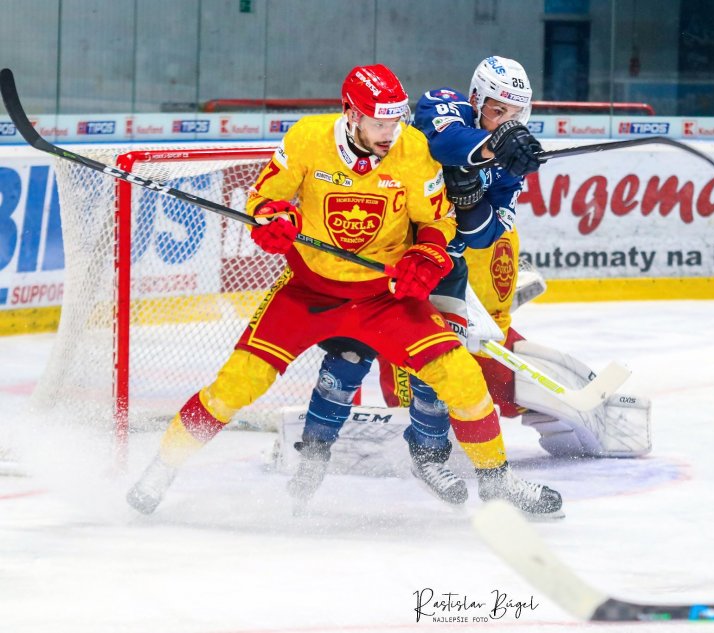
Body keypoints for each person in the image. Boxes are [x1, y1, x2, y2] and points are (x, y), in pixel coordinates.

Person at [125, 63, 562, 518]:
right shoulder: (307, 138)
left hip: (383, 297)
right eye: (379, 123)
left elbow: (437, 220)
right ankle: (162, 468)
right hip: (308, 293)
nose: (390, 133)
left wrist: (425, 255)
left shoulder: (412, 149)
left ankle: (497, 480)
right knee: (235, 386)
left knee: (463, 378)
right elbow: (265, 199)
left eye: (395, 121)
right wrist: (274, 220)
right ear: (350, 113)